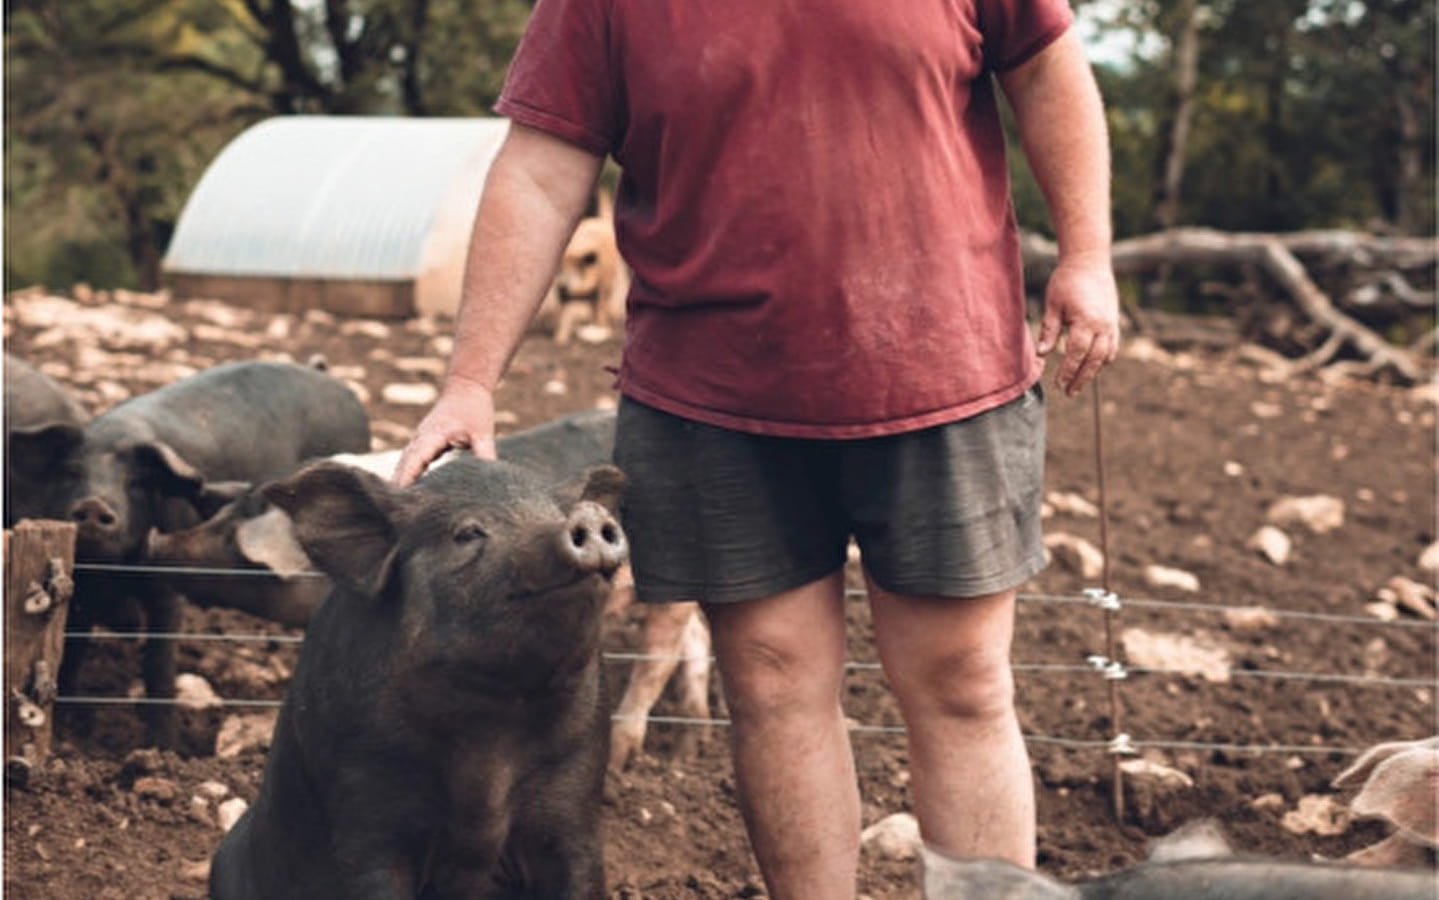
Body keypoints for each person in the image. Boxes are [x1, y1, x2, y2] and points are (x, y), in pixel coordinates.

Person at [394, 1, 1120, 897]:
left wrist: (1086, 254)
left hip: (940, 367)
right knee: (773, 685)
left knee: (962, 681)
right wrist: (469, 380)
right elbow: (543, 171)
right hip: (715, 394)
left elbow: (1047, 68)